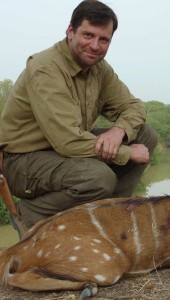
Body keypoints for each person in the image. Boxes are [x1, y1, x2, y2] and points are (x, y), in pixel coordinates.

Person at [0, 0, 158, 238]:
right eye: (88, 35)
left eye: (103, 39)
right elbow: (68, 141)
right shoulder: (46, 68)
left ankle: (109, 215)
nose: (95, 46)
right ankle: (31, 213)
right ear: (70, 31)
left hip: (63, 152)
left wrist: (119, 132)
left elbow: (134, 106)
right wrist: (126, 152)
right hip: (23, 160)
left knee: (146, 136)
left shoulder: (100, 69)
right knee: (97, 177)